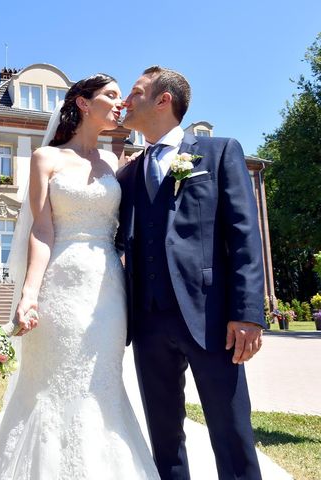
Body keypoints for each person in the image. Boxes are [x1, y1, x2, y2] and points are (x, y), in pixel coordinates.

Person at [0, 73, 160, 479]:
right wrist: (29, 293)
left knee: (101, 381)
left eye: (122, 95)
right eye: (110, 95)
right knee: (53, 381)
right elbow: (42, 230)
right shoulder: (46, 159)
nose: (120, 101)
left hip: (107, 289)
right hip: (60, 285)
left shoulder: (116, 163)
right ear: (84, 104)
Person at [117, 66, 267, 480]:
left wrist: (249, 312)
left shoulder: (219, 152)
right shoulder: (128, 174)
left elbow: (243, 237)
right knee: (164, 441)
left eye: (136, 92)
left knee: (232, 433)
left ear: (163, 100)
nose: (125, 102)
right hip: (147, 323)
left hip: (213, 318)